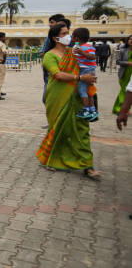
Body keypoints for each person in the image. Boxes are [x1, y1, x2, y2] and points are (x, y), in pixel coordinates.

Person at [36, 22, 99, 179]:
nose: (68, 36)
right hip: (57, 98)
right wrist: (80, 77)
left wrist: (89, 78)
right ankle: (51, 159)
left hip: (77, 97)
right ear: (55, 37)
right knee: (59, 129)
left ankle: (87, 165)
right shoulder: (49, 55)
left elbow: (88, 65)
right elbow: (57, 75)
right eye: (64, 34)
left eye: (68, 32)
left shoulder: (75, 53)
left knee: (82, 130)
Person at [71, 28, 98, 121]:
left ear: (77, 38)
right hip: (85, 70)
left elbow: (92, 57)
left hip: (86, 71)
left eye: (72, 36)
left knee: (82, 90)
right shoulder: (76, 47)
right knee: (89, 91)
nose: (71, 37)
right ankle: (92, 110)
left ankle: (85, 110)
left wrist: (81, 52)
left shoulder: (87, 46)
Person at [113, 35, 132, 114]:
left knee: (127, 91)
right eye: (130, 39)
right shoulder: (123, 50)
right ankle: (120, 109)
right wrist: (128, 63)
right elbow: (118, 61)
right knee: (125, 90)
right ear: (127, 41)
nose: (131, 40)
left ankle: (122, 107)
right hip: (125, 73)